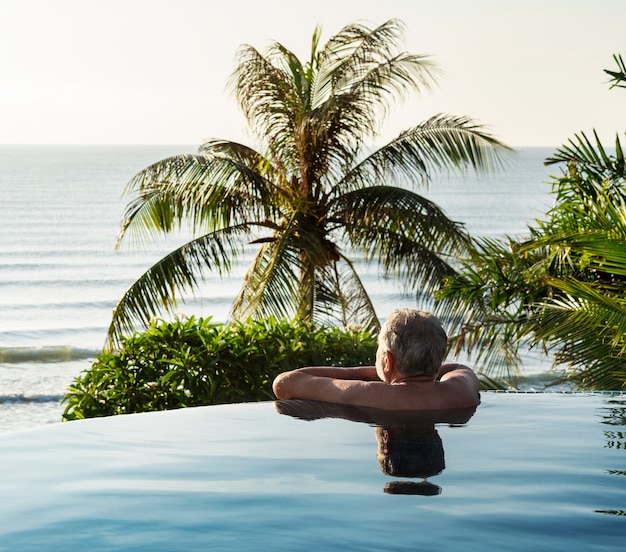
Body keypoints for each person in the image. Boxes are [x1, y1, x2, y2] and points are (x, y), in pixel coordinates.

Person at [272, 309, 481, 411]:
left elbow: (284, 384)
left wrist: (369, 373)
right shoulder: (461, 390)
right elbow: (458, 368)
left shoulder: (369, 393)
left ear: (388, 360)